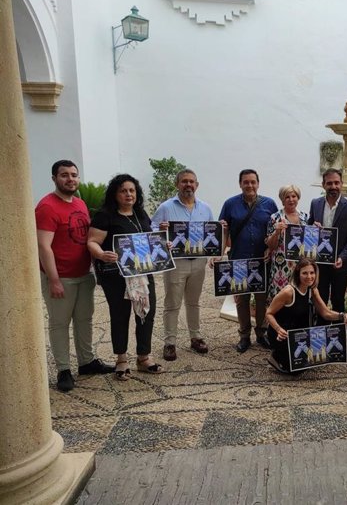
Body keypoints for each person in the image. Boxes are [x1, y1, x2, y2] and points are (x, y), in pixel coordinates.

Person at [36, 160, 114, 392]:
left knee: (84, 320)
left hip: (83, 274)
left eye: (73, 175)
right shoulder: (47, 207)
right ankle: (63, 369)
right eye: (64, 175)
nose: (70, 179)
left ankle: (86, 361)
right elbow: (43, 246)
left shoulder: (79, 203)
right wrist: (54, 279)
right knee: (60, 323)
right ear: (54, 178)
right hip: (62, 277)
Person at [87, 174, 163, 380]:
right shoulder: (105, 216)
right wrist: (101, 254)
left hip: (143, 274)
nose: (128, 194)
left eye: (132, 190)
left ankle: (143, 357)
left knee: (146, 314)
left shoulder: (140, 214)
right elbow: (92, 241)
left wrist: (164, 246)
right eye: (123, 190)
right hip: (116, 276)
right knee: (120, 316)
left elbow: (150, 240)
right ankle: (121, 359)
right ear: (115, 194)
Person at [151, 169, 214, 362]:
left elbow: (213, 232)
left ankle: (195, 337)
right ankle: (170, 342)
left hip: (198, 262)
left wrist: (216, 247)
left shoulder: (205, 208)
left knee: (194, 302)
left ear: (197, 185)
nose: (188, 185)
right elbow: (152, 230)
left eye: (192, 182)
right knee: (172, 304)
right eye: (184, 181)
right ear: (177, 184)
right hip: (176, 262)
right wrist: (160, 232)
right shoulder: (166, 207)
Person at [219, 169, 278, 353]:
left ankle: (261, 334)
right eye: (246, 182)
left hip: (262, 260)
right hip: (239, 260)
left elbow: (275, 229)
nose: (250, 185)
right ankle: (244, 336)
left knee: (262, 299)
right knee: (241, 300)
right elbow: (224, 230)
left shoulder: (270, 204)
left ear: (258, 184)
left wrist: (271, 248)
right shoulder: (230, 204)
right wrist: (218, 254)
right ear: (240, 184)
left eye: (253, 182)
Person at [265, 258, 347, 374]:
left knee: (306, 363)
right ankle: (275, 356)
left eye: (312, 273)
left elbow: (325, 313)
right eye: (305, 273)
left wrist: (342, 316)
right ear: (298, 273)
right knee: (295, 372)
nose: (309, 277)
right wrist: (278, 329)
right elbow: (269, 313)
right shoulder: (288, 292)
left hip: (299, 332)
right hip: (282, 333)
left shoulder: (312, 290)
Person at [308, 168, 347, 314]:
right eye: (329, 183)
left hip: (340, 263)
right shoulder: (315, 203)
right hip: (320, 262)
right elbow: (309, 228)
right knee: (320, 299)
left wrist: (342, 257)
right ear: (323, 185)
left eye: (337, 183)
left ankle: (337, 334)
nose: (333, 186)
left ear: (342, 184)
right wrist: (312, 228)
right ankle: (320, 332)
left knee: (338, 300)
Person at [265, 184, 309, 303]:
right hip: (281, 266)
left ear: (298, 198)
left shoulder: (305, 217)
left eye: (293, 196)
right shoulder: (275, 217)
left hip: (300, 265)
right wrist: (276, 232)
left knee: (299, 297)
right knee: (280, 299)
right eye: (287, 197)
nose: (291, 199)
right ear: (282, 199)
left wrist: (317, 229)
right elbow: (270, 245)